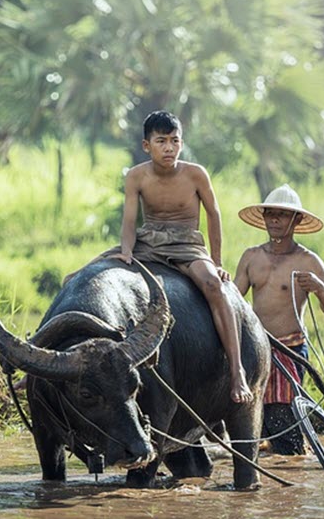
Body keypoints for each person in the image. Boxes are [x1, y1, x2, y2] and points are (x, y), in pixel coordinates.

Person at [100, 110, 253, 403]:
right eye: (161, 141)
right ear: (147, 146)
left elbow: (214, 214)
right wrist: (127, 251)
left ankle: (237, 372)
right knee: (82, 275)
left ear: (181, 142)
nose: (169, 148)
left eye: (174, 141)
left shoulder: (195, 174)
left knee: (214, 287)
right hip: (149, 241)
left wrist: (217, 262)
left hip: (187, 244)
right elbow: (130, 221)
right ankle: (43, 366)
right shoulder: (136, 176)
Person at [233, 183, 324, 454]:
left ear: (297, 220)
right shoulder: (252, 257)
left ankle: (293, 459)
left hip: (289, 349)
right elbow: (234, 301)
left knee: (282, 416)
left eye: (281, 215)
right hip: (256, 349)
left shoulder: (308, 261)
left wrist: (318, 287)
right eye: (270, 214)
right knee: (251, 416)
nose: (274, 220)